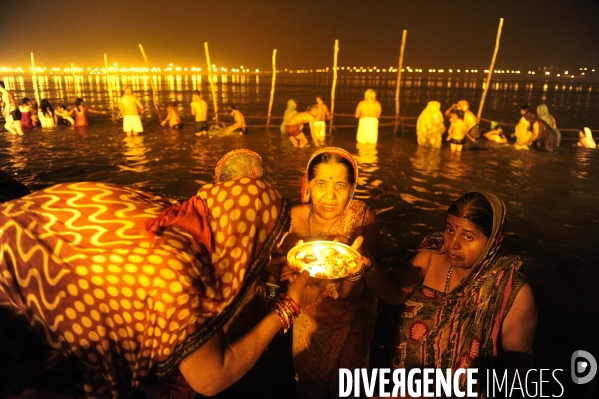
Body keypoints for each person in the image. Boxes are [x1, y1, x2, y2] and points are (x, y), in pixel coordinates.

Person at [0, 177, 320, 398]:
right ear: (247, 239)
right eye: (269, 244)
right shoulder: (179, 273)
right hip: (29, 337)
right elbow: (211, 378)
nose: (272, 253)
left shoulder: (174, 212)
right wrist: (287, 306)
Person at [363, 191, 537, 397]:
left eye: (468, 236)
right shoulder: (431, 256)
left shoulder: (510, 290)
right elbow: (395, 293)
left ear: (492, 240)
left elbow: (517, 370)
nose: (452, 244)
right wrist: (367, 266)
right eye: (449, 230)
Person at [276, 147, 381, 399]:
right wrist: (282, 271)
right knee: (308, 385)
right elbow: (281, 266)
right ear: (308, 185)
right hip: (308, 314)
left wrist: (354, 267)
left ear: (352, 189)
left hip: (352, 320)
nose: (330, 196)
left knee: (347, 389)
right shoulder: (294, 218)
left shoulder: (363, 219)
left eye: (340, 186)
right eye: (321, 183)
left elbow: (360, 290)